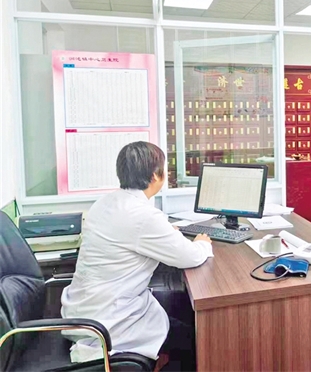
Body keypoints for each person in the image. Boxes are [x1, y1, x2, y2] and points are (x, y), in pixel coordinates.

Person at [61, 141, 211, 370]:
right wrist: (202, 243)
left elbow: (132, 234)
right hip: (111, 323)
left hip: (84, 310)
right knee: (195, 340)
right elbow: (190, 257)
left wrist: (165, 232)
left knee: (182, 305)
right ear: (155, 176)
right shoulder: (143, 216)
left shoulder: (105, 202)